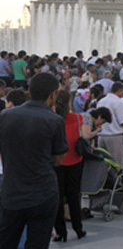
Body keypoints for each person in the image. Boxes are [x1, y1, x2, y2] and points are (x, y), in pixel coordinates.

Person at [0, 73, 68, 249]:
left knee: (6, 241)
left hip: (12, 191)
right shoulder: (55, 120)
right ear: (53, 94)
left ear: (29, 91)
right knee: (38, 242)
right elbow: (59, 159)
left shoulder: (5, 116)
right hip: (43, 192)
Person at [52, 90, 87, 242]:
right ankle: (78, 228)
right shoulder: (77, 118)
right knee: (74, 195)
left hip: (57, 162)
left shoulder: (53, 119)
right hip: (75, 160)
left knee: (58, 197)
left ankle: (60, 231)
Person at [97, 81, 123, 170]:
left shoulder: (101, 101)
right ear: (119, 91)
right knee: (118, 164)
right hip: (114, 136)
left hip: (101, 135)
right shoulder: (117, 102)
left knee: (104, 164)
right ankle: (119, 183)